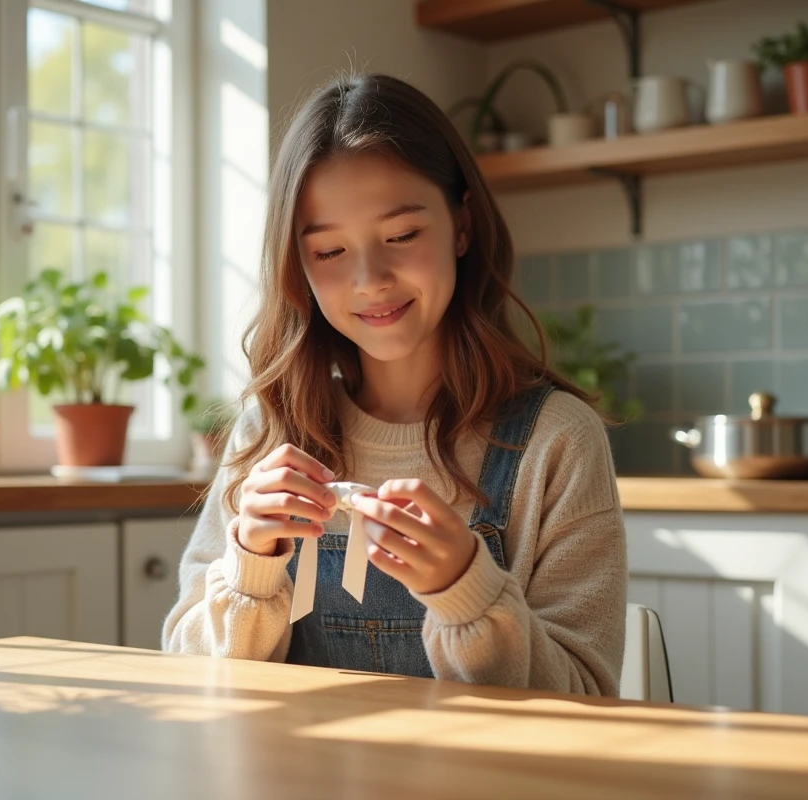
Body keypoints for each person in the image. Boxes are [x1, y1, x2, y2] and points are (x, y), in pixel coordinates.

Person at [162, 72, 627, 695]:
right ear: (296, 266)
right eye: (328, 252)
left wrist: (467, 588)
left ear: (462, 225)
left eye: (402, 236)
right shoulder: (267, 432)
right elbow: (190, 679)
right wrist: (249, 562)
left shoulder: (557, 441)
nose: (370, 279)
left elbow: (587, 701)